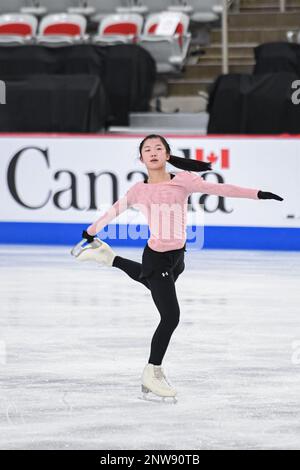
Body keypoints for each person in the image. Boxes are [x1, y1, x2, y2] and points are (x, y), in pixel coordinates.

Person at [74, 134, 283, 402]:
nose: (153, 152)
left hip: (177, 259)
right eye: (147, 149)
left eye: (158, 148)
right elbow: (113, 212)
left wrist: (258, 194)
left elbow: (222, 189)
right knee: (170, 316)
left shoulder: (184, 180)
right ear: (141, 159)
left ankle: (108, 258)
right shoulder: (139, 190)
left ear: (168, 155)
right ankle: (152, 372)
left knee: (150, 281)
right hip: (156, 256)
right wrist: (90, 232)